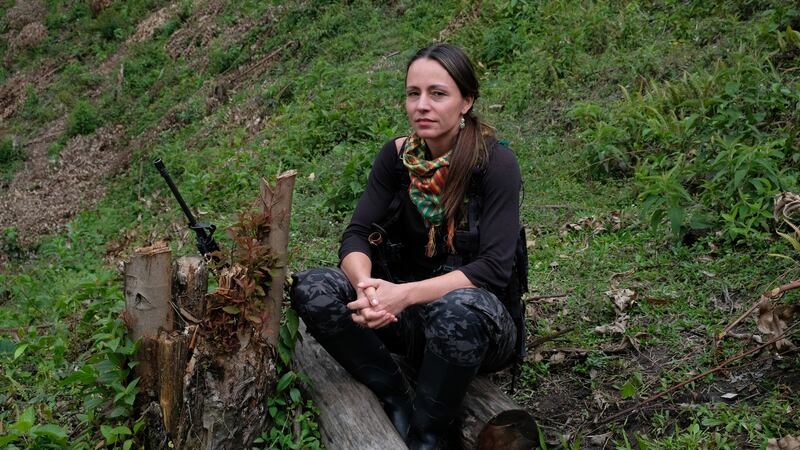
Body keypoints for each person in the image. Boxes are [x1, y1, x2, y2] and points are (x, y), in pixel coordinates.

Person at [291, 43, 524, 449]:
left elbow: (494, 268)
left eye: (438, 94)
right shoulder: (396, 158)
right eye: (413, 93)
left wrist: (404, 295)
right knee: (313, 287)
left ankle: (427, 434)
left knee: (457, 310)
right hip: (399, 315)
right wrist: (368, 289)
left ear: (467, 101)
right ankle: (393, 391)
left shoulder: (496, 164)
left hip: (477, 326)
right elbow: (357, 234)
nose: (422, 105)